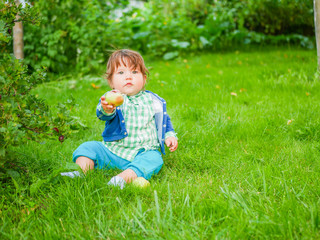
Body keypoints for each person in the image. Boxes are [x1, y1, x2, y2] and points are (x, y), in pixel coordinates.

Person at [61, 49, 178, 189]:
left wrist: (169, 136)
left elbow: (164, 121)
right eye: (121, 73)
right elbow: (102, 114)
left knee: (155, 159)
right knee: (88, 147)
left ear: (144, 79)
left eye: (134, 72)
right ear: (111, 81)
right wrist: (107, 109)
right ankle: (81, 172)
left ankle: (122, 178)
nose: (128, 77)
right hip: (113, 151)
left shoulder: (152, 100)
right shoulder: (114, 98)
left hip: (143, 152)